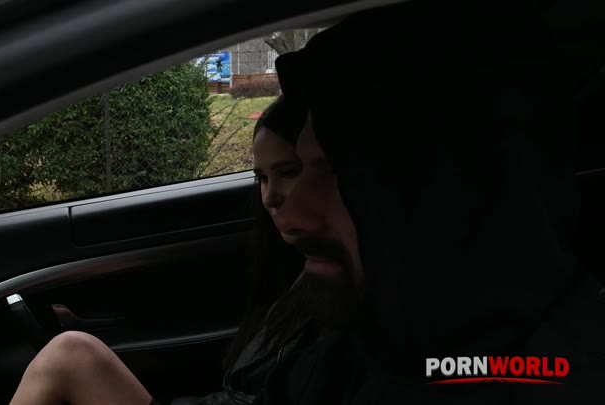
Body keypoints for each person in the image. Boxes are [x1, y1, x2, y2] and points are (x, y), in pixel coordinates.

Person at [247, 1, 605, 404]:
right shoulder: (356, 352)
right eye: (301, 168)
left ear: (455, 186)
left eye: (337, 173)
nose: (291, 216)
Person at [9, 95, 336, 405]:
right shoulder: (302, 265)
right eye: (262, 178)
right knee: (71, 351)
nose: (270, 197)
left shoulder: (347, 285)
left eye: (289, 172)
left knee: (68, 353)